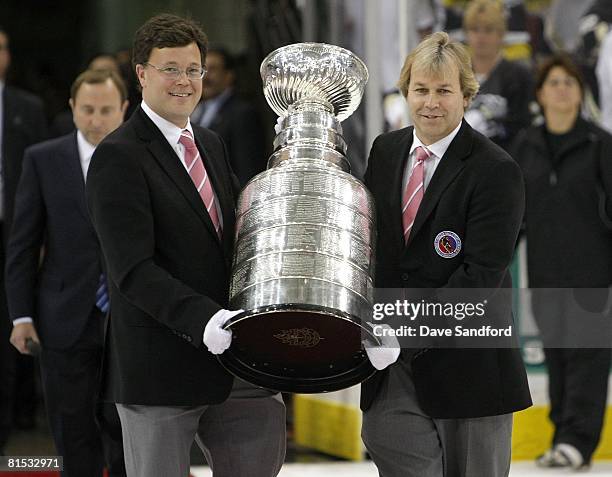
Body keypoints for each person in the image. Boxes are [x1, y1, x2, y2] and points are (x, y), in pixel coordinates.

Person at [85, 14, 285, 477]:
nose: (185, 81)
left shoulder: (211, 144)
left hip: (239, 363)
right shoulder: (118, 156)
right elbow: (133, 270)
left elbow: (236, 236)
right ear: (141, 74)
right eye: (170, 68)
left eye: (194, 69)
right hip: (161, 369)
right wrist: (203, 319)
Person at [361, 31, 532, 477]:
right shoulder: (385, 151)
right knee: (391, 444)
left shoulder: (495, 170)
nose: (430, 102)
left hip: (470, 368)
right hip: (394, 366)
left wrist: (403, 328)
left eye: (443, 91)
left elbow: (480, 275)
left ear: (466, 95)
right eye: (420, 89)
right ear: (406, 92)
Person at [6, 69, 128, 477]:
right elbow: (23, 242)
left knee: (126, 430)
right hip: (62, 314)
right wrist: (21, 316)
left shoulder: (141, 157)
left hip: (129, 317)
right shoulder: (42, 158)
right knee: (72, 431)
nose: (96, 120)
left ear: (124, 110)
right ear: (72, 108)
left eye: (106, 110)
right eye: (88, 110)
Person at [512, 54, 612, 471]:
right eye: (554, 82)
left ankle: (578, 442)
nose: (562, 89)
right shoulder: (526, 145)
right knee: (557, 358)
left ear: (580, 92)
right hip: (546, 273)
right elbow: (513, 211)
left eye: (569, 83)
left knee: (588, 359)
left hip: (593, 275)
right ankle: (561, 437)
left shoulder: (599, 144)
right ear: (540, 94)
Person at [0, 25, 47, 453]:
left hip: (15, 229)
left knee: (16, 319)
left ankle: (18, 412)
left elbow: (41, 178)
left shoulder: (26, 108)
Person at [462, 0, 533, 151]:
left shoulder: (520, 77)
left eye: (488, 30)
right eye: (475, 29)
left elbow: (524, 127)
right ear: (467, 34)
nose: (481, 37)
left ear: (501, 34)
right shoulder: (455, 75)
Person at [191, 46, 267, 186]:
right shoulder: (193, 111)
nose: (206, 76)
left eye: (213, 69)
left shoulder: (242, 113)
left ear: (229, 75)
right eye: (202, 70)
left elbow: (247, 169)